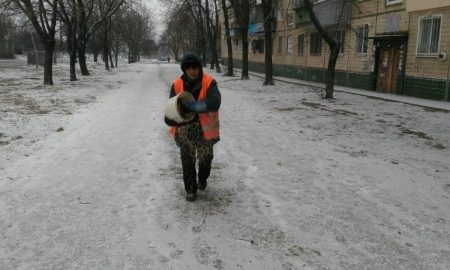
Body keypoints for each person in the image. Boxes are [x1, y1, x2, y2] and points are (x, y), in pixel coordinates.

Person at [164, 52, 221, 202]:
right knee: (187, 159)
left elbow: (215, 102)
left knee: (205, 160)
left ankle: (203, 179)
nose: (192, 70)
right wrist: (170, 118)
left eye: (194, 67)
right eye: (188, 68)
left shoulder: (209, 82)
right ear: (184, 69)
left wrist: (194, 107)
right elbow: (171, 106)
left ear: (199, 67)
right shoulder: (177, 84)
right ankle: (190, 189)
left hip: (205, 130)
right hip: (185, 129)